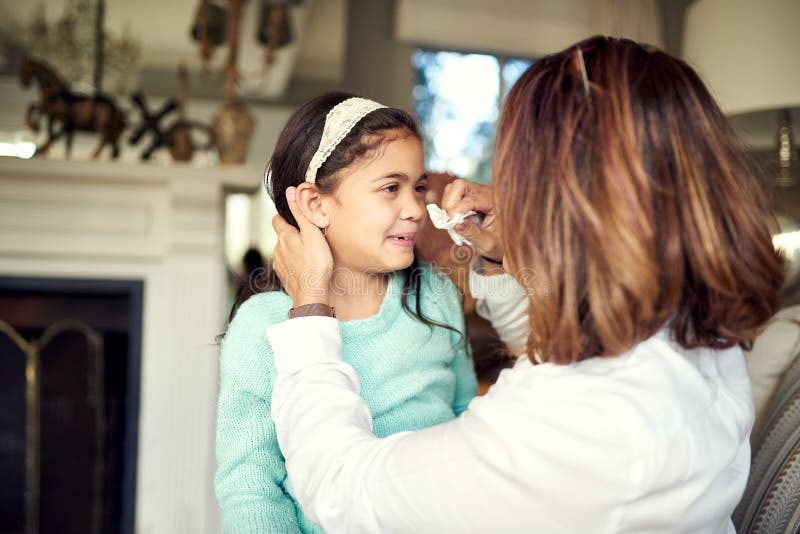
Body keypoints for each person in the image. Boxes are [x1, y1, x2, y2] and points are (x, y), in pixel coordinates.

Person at [265, 36, 785, 533]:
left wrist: (311, 308)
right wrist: (506, 254)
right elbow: (546, 353)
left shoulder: (583, 431)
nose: (413, 207)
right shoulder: (693, 333)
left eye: (520, 179)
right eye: (390, 187)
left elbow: (340, 488)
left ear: (566, 203)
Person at [214, 92, 482, 533]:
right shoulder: (263, 324)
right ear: (317, 205)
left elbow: (466, 426)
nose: (416, 209)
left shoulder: (434, 298)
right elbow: (251, 487)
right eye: (390, 188)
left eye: (417, 187)